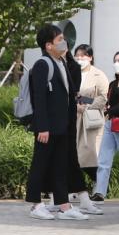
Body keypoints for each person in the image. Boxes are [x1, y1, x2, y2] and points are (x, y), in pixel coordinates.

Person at [25, 25, 92, 220]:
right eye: (60, 39)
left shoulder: (61, 62)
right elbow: (39, 98)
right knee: (40, 164)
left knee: (60, 166)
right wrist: (42, 127)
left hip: (63, 126)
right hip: (47, 128)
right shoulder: (42, 64)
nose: (64, 42)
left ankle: (64, 206)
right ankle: (36, 205)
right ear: (48, 45)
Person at [91, 51, 119, 202]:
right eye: (115, 60)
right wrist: (106, 109)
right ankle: (99, 192)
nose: (116, 64)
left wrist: (110, 110)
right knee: (103, 159)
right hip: (110, 123)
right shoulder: (112, 84)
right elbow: (108, 102)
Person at [74, 44, 109, 188]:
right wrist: (75, 106)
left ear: (90, 57)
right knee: (74, 155)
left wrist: (87, 105)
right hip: (73, 118)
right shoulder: (71, 73)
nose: (80, 59)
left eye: (83, 55)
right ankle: (77, 188)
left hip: (90, 121)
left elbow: (104, 97)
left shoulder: (98, 75)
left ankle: (99, 185)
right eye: (77, 56)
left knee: (90, 155)